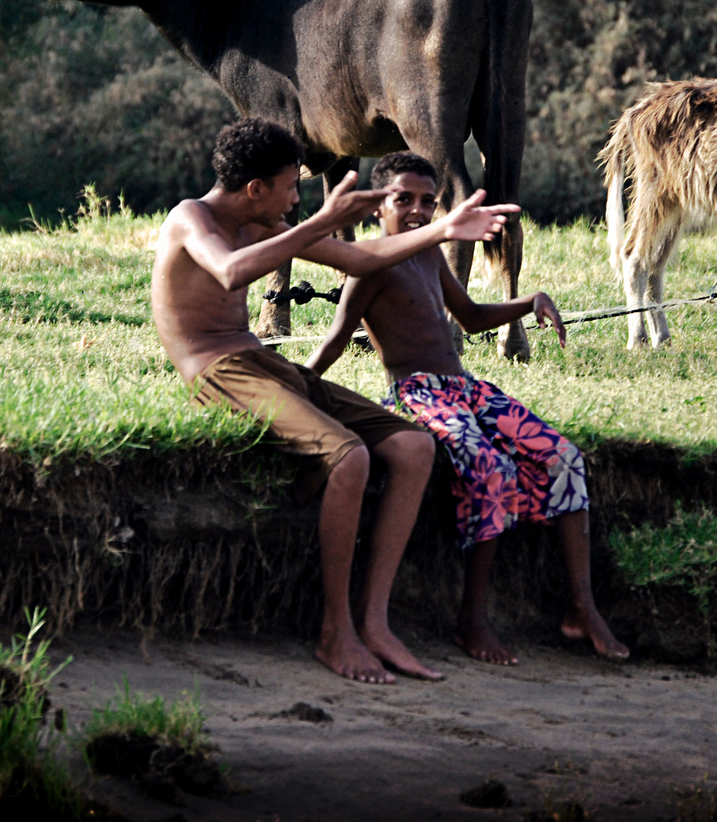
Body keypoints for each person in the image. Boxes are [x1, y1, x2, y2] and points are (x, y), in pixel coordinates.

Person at [154, 120, 519, 683]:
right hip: (218, 369)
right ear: (255, 189)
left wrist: (443, 230)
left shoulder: (264, 221)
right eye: (290, 187)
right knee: (350, 456)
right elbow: (229, 273)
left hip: (264, 362)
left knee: (412, 444)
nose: (295, 199)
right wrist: (320, 223)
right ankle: (335, 630)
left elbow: (364, 261)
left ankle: (374, 623)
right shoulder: (191, 218)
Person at [306, 151, 629, 664]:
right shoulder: (367, 266)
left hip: (467, 389)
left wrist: (530, 302)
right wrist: (299, 388)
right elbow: (337, 338)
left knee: (563, 456)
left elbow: (472, 317)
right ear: (376, 208)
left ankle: (581, 606)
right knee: (489, 467)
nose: (417, 211)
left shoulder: (430, 254)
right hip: (418, 394)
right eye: (403, 200)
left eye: (427, 202)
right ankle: (471, 618)